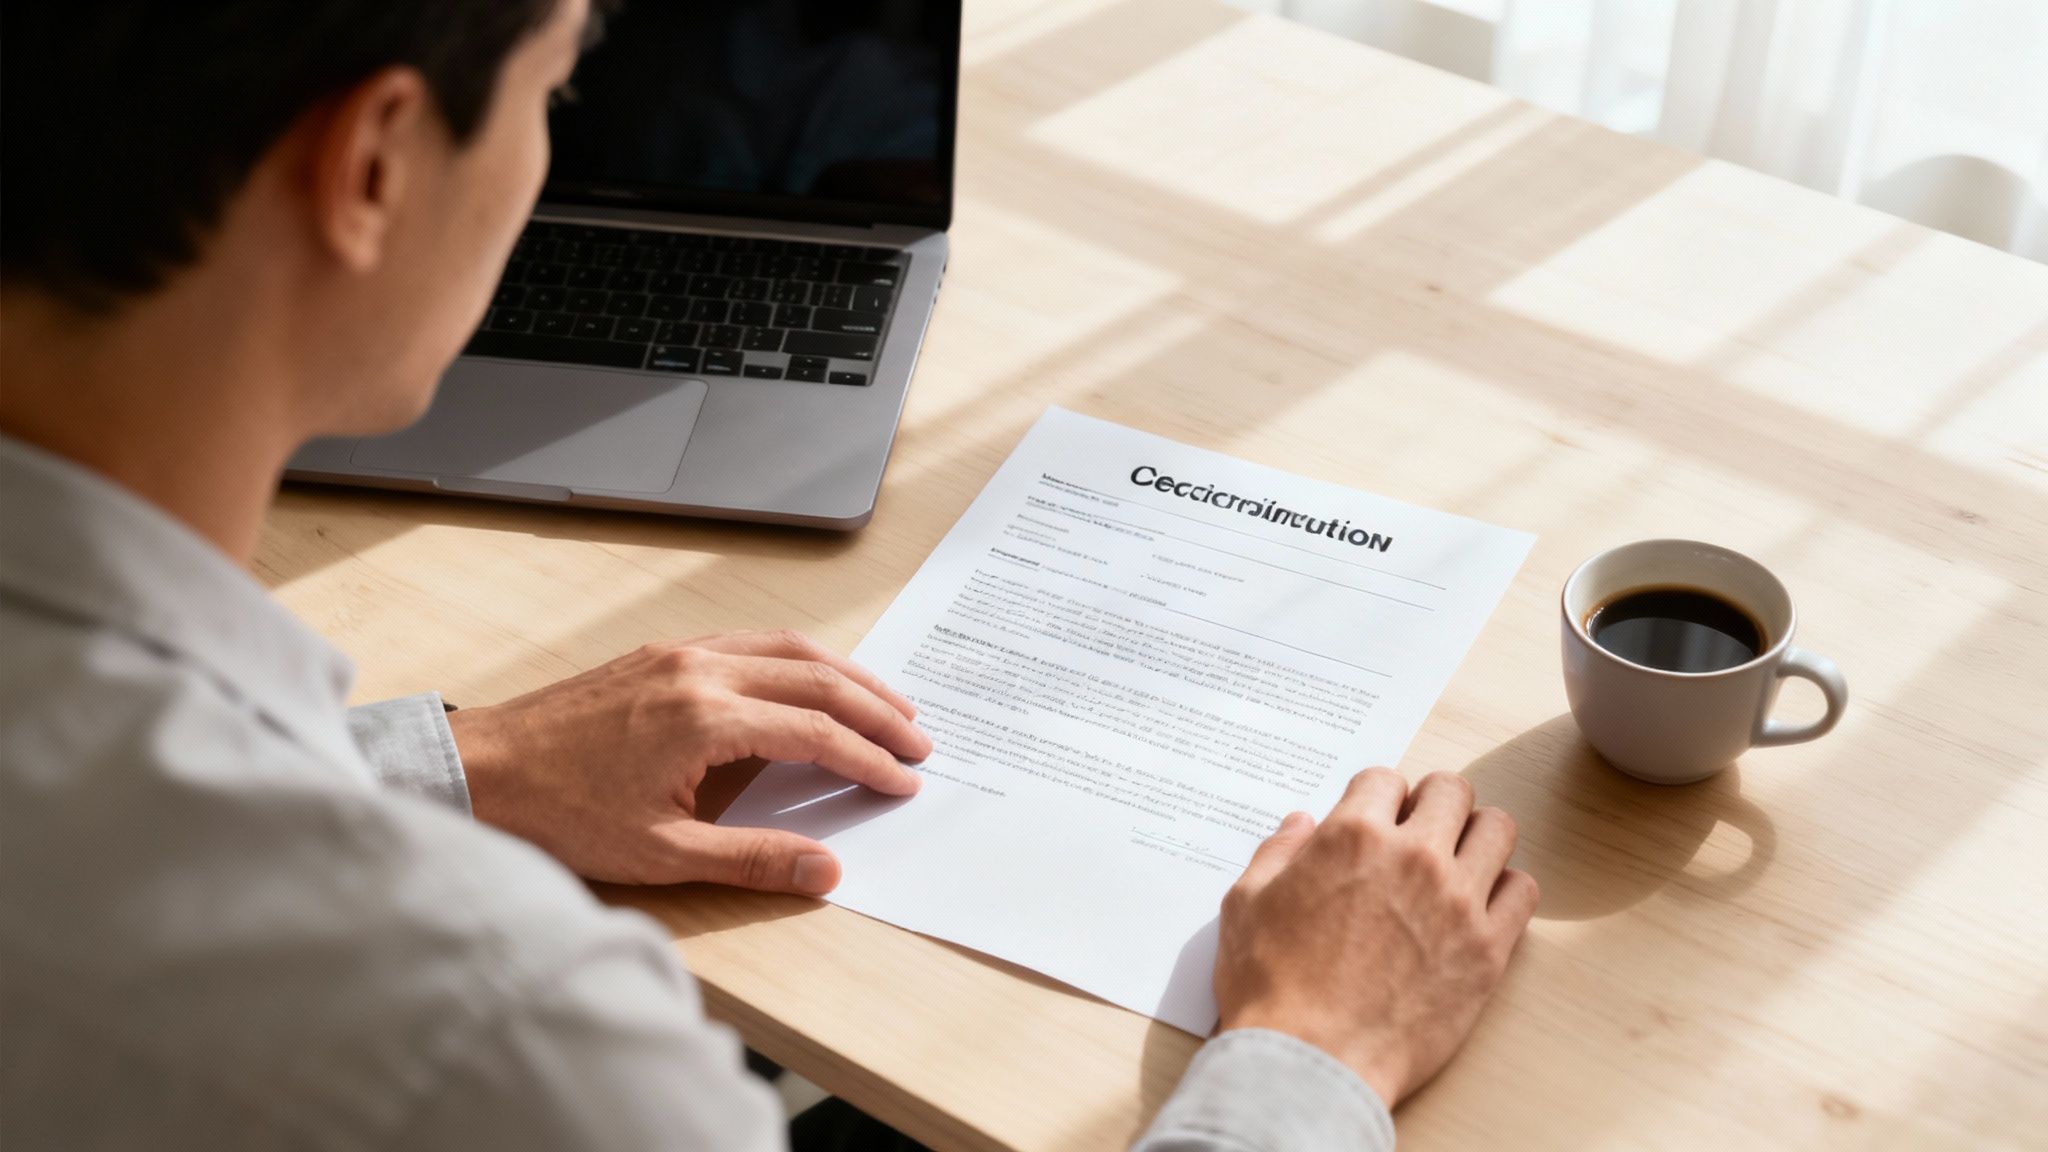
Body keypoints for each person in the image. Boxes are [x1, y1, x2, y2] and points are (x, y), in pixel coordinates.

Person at [0, 2, 1540, 1149]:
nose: (547, 159)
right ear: (376, 165)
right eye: (557, 86)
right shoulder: (511, 1042)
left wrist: (457, 761)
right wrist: (1316, 1048)